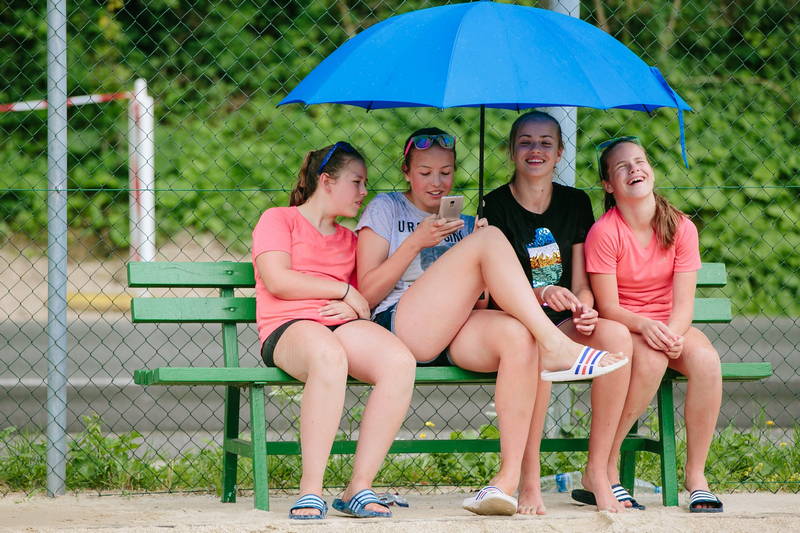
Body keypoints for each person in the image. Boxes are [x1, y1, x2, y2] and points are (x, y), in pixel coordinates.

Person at [356, 127, 628, 516]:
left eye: (446, 172)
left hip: (458, 330)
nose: (437, 182)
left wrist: (482, 263)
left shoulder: (464, 223)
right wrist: (418, 241)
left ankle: (506, 481)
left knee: (520, 335)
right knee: (491, 241)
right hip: (403, 325)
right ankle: (556, 344)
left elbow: (482, 303)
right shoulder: (387, 208)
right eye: (425, 172)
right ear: (406, 171)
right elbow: (367, 293)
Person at [252, 141, 417, 520]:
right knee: (328, 355)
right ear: (326, 181)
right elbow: (278, 280)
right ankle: (310, 491)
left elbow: (367, 294)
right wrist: (342, 290)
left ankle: (358, 487)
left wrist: (353, 302)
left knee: (398, 362)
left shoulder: (351, 239)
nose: (364, 192)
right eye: (356, 182)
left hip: (341, 325)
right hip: (288, 327)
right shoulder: (278, 219)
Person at [482, 111, 634, 513]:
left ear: (560, 152)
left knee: (617, 338)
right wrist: (542, 293)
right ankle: (529, 480)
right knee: (535, 349)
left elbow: (582, 281)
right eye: (526, 142)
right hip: (520, 323)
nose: (536, 150)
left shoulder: (575, 202)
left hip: (564, 322)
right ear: (511, 151)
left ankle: (598, 470)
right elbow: (497, 291)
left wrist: (584, 306)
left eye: (545, 143)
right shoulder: (493, 204)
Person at [585, 137, 724, 513]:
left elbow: (684, 304)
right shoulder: (605, 232)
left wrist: (673, 334)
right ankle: (604, 467)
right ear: (608, 185)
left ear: (651, 170)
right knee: (650, 360)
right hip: (628, 326)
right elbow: (608, 307)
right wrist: (646, 328)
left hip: (669, 325)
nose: (634, 169)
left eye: (640, 161)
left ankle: (696, 478)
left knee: (707, 362)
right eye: (622, 166)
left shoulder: (681, 227)